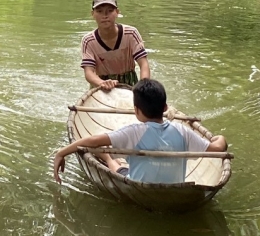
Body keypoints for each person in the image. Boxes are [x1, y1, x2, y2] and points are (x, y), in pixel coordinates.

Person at [53, 79, 227, 184]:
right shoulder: (182, 130)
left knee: (116, 165)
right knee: (115, 154)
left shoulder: (134, 132)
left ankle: (107, 158)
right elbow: (217, 149)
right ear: (165, 108)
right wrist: (221, 138)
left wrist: (62, 152)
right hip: (175, 186)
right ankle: (109, 156)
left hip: (136, 184)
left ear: (136, 111)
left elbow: (91, 141)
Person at [81, 0, 150, 91]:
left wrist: (144, 86)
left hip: (129, 82)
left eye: (109, 11)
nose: (105, 16)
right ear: (93, 14)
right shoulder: (88, 41)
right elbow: (88, 72)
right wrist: (103, 83)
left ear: (117, 12)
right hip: (100, 85)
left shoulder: (131, 33)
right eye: (99, 11)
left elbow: (143, 64)